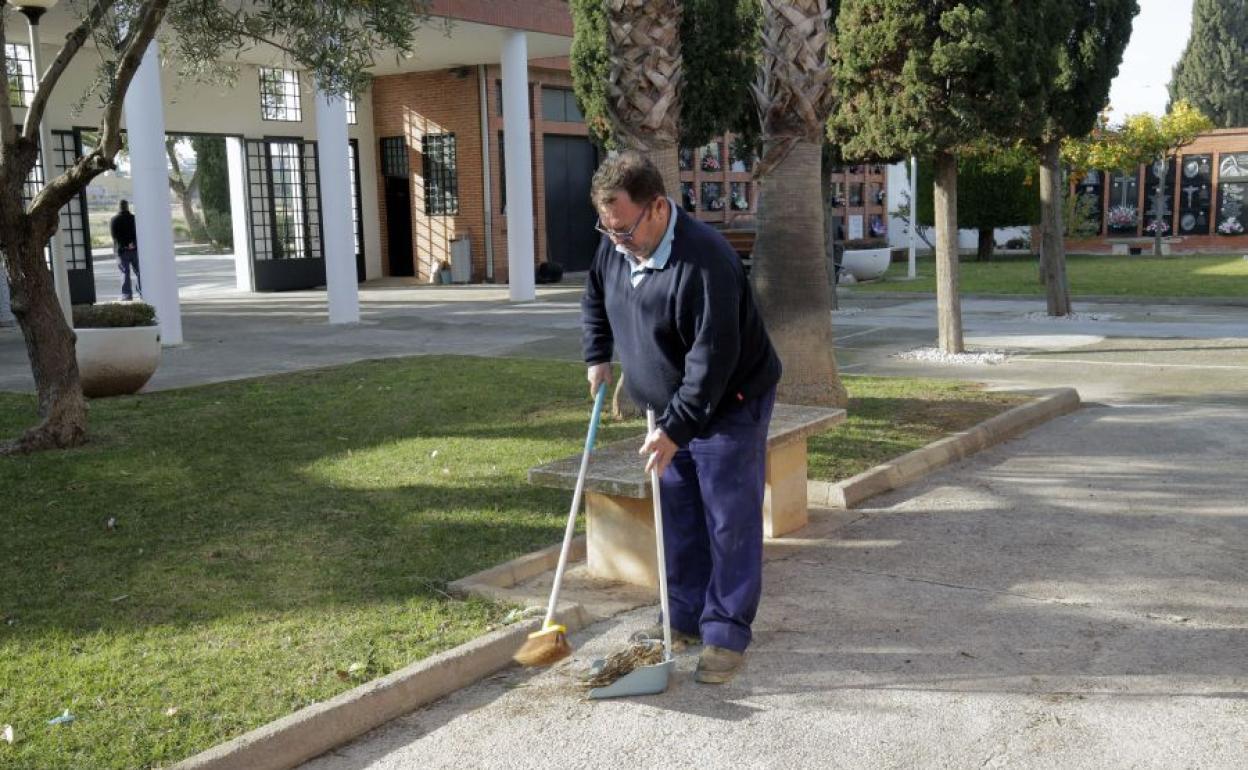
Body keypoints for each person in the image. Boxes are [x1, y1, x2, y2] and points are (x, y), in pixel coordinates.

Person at [581, 151, 782, 684]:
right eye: (606, 227)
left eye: (622, 228)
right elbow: (595, 298)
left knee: (728, 521)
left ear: (657, 208)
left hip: (728, 406)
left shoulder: (706, 260)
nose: (614, 239)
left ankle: (725, 634)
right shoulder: (615, 246)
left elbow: (711, 361)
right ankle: (684, 618)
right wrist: (597, 355)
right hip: (664, 409)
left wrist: (676, 429)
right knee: (679, 519)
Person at [110, 200, 140, 301]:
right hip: (135, 250)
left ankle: (127, 295)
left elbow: (114, 236)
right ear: (128, 207)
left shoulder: (114, 220)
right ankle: (142, 291)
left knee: (125, 273)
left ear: (119, 207)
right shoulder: (134, 218)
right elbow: (139, 233)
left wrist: (125, 244)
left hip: (122, 251)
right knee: (139, 272)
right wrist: (132, 243)